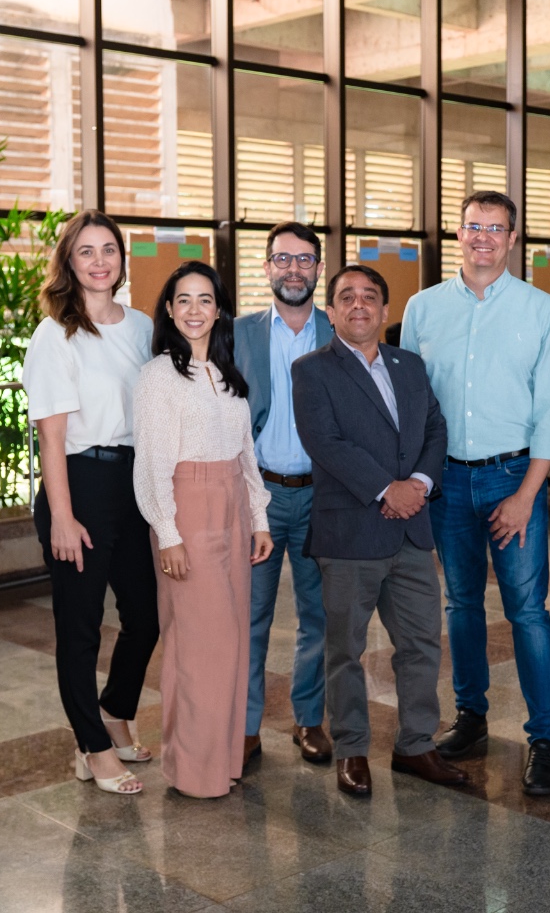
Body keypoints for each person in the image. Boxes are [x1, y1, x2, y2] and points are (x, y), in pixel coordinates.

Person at [400, 190, 550, 796]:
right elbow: (414, 403)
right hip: (445, 481)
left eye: (495, 229)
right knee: (461, 606)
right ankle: (471, 718)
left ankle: (544, 737)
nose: (483, 238)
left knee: (527, 611)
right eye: (473, 226)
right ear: (458, 234)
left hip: (511, 478)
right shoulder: (422, 308)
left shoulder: (541, 309)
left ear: (512, 239)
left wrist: (528, 495)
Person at [291, 265, 463, 797]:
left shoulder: (409, 364)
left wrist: (418, 482)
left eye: (370, 296)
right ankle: (352, 749)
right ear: (332, 311)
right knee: (345, 648)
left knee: (421, 645)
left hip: (412, 532)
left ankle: (415, 745)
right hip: (350, 535)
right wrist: (388, 490)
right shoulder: (311, 370)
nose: (359, 305)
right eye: (347, 297)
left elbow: (436, 427)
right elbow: (327, 443)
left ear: (386, 311)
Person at [22, 211, 156, 797]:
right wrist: (63, 515)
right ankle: (92, 746)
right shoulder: (56, 333)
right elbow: (51, 436)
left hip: (135, 483)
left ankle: (114, 711)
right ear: (68, 262)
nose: (99, 261)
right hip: (78, 482)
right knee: (79, 630)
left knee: (146, 619)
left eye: (109, 250)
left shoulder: (145, 326)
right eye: (86, 252)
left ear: (122, 259)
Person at [133, 262, 274, 798]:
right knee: (198, 645)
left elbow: (246, 455)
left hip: (233, 507)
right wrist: (167, 532)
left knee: (232, 641)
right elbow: (151, 463)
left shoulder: (227, 373)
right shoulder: (158, 377)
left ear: (220, 309)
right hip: (185, 507)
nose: (195, 310)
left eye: (205, 300)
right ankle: (192, 769)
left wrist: (258, 518)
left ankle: (222, 762)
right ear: (169, 310)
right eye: (183, 300)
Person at [232, 222, 334, 769]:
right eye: (282, 259)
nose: (293, 269)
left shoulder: (339, 331)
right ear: (267, 267)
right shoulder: (238, 333)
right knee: (252, 617)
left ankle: (309, 718)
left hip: (322, 496)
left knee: (318, 616)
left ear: (318, 267)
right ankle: (245, 726)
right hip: (259, 498)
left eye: (304, 259)